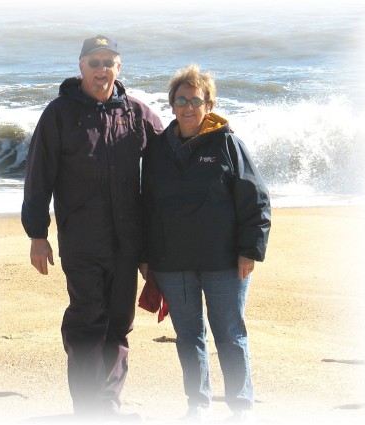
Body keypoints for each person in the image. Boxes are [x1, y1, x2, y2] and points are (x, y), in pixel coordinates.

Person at [21, 35, 163, 422]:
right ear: (80, 66)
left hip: (127, 242)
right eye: (94, 61)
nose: (101, 69)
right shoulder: (59, 114)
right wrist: (37, 234)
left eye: (109, 61)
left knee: (118, 324)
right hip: (82, 240)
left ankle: (108, 406)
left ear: (120, 67)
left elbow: (168, 167)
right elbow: (38, 177)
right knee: (87, 320)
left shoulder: (135, 113)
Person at [141, 64, 271, 423]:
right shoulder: (157, 149)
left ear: (208, 104)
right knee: (188, 337)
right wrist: (145, 256)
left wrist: (250, 251)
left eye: (195, 100)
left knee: (229, 334)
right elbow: (146, 205)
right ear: (172, 105)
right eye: (180, 100)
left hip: (225, 262)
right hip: (172, 261)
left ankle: (240, 408)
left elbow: (256, 199)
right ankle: (197, 407)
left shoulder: (228, 143)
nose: (187, 107)